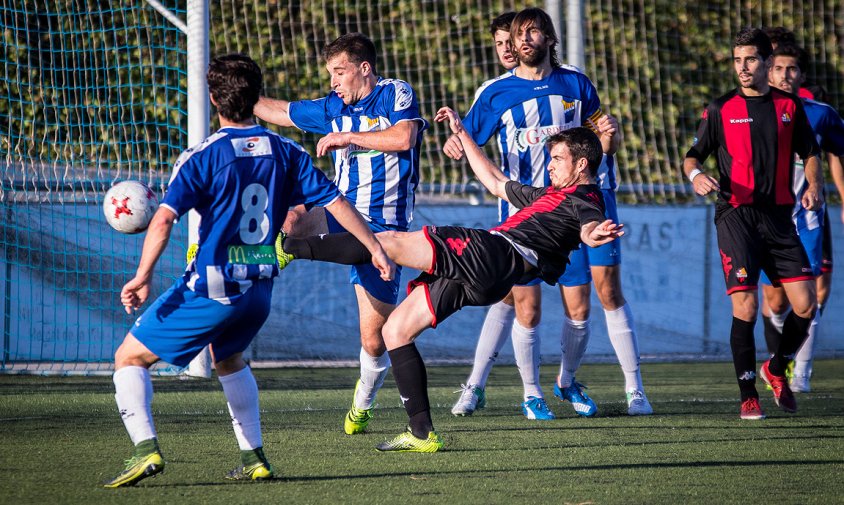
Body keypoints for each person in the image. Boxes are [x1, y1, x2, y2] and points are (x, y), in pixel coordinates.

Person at [103, 54, 393, 488]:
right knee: (230, 358)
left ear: (215, 99)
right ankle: (254, 457)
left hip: (213, 286)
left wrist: (142, 275)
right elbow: (337, 202)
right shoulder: (287, 152)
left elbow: (162, 220)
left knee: (128, 358)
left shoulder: (202, 157)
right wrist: (375, 247)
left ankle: (145, 451)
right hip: (258, 289)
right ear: (257, 98)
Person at [283, 120, 623, 451]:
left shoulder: (585, 197)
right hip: (491, 276)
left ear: (581, 164)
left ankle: (286, 249)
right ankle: (421, 433)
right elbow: (495, 182)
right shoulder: (549, 196)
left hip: (493, 253)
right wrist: (463, 135)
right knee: (395, 331)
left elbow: (589, 225)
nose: (550, 166)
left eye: (558, 159)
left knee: (388, 241)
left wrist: (594, 234)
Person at [446, 7, 651, 421]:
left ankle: (591, 383)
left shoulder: (575, 83)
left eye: (531, 33)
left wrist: (609, 138)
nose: (521, 42)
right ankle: (508, 390)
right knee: (520, 305)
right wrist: (456, 145)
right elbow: (466, 138)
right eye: (514, 36)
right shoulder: (495, 92)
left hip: (575, 214)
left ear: (549, 38)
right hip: (523, 214)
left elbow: (600, 142)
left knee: (584, 304)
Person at [253, 33, 427, 436]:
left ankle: (361, 405)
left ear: (363, 68)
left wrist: (348, 137)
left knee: (374, 340)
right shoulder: (333, 106)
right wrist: (232, 90)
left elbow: (405, 138)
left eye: (339, 71)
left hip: (386, 227)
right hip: (343, 213)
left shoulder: (394, 93)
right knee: (293, 221)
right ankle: (262, 255)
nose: (333, 81)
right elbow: (277, 110)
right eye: (330, 73)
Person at [683, 28, 822, 420]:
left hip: (779, 218)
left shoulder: (789, 107)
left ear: (765, 61)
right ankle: (748, 394)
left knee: (805, 305)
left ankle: (775, 368)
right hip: (735, 216)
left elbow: (810, 152)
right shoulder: (720, 108)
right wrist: (695, 176)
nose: (742, 68)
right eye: (736, 60)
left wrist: (813, 184)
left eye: (750, 60)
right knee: (744, 305)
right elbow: (693, 156)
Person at [759, 43, 844, 392]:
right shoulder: (751, 111)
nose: (785, 75)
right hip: (765, 219)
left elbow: (838, 152)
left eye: (791, 69)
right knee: (775, 300)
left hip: (806, 218)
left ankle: (802, 375)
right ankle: (779, 363)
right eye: (778, 68)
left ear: (802, 75)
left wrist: (832, 191)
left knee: (808, 296)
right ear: (768, 71)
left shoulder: (820, 113)